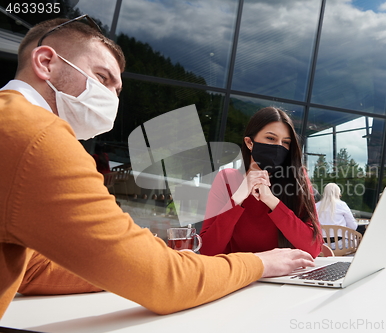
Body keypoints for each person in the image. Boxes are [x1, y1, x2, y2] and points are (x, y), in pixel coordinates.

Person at [0, 17, 314, 318]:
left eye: (117, 90)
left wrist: (146, 264)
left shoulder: (14, 127)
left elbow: (34, 269)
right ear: (45, 62)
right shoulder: (39, 138)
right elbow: (167, 283)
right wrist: (259, 263)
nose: (111, 97)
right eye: (102, 77)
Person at [199, 107, 322, 257]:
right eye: (271, 138)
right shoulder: (227, 179)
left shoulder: (297, 178)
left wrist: (272, 202)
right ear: (250, 143)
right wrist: (238, 198)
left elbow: (314, 248)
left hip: (286, 277)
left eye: (285, 142)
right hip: (242, 276)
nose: (278, 147)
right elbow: (208, 250)